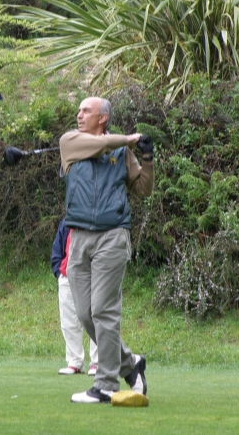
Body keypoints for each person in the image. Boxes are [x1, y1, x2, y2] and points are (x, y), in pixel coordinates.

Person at [59, 96, 155, 404]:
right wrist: (127, 139)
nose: (79, 115)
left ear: (103, 117)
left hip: (112, 237)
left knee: (104, 310)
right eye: (79, 110)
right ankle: (131, 363)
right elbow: (97, 145)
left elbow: (142, 189)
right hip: (79, 238)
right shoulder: (70, 142)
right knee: (87, 314)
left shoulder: (121, 153)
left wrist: (147, 158)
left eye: (86, 111)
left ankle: (106, 385)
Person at [51, 218, 99, 376]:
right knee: (68, 321)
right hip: (66, 275)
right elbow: (58, 248)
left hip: (91, 277)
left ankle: (97, 362)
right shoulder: (67, 222)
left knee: (95, 317)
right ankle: (75, 362)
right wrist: (59, 272)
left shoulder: (96, 221)